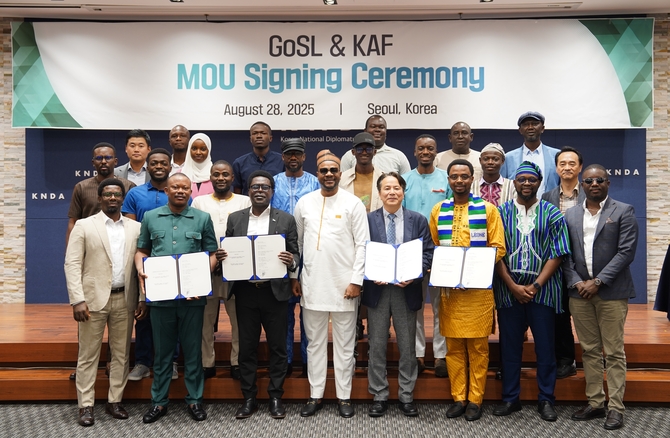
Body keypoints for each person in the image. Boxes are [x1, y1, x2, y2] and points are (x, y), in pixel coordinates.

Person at [135, 173, 218, 424]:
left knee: (193, 352)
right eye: (175, 187)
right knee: (162, 353)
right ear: (167, 191)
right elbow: (142, 250)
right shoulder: (150, 217)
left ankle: (195, 400)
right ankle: (159, 402)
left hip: (193, 299)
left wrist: (201, 276)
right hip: (161, 299)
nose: (180, 191)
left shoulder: (202, 218)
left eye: (184, 188)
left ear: (190, 192)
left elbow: (212, 253)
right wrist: (140, 268)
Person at [294, 150, 369, 418]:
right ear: (317, 174)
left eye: (333, 170)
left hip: (344, 287)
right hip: (312, 284)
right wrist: (294, 277)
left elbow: (362, 246)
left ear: (340, 173)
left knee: (345, 346)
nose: (328, 174)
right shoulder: (304, 203)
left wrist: (356, 281)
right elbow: (298, 245)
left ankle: (344, 397)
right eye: (324, 170)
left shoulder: (353, 204)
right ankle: (315, 395)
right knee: (314, 344)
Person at [429, 159, 506, 421]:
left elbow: (498, 247)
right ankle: (458, 397)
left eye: (464, 176)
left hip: (478, 292)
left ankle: (475, 399)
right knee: (453, 347)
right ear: (448, 180)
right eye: (454, 176)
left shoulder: (487, 210)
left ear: (472, 179)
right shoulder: (439, 210)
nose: (459, 180)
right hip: (450, 292)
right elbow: (435, 246)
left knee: (478, 348)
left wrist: (472, 269)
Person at [563, 164, 638, 430]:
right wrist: (576, 282)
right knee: (589, 350)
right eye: (589, 181)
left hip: (611, 292)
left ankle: (616, 407)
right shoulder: (570, 214)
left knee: (614, 352)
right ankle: (595, 403)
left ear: (608, 183)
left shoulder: (624, 210)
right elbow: (565, 253)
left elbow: (626, 252)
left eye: (599, 180)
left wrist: (598, 282)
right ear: (581, 185)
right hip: (579, 293)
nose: (594, 184)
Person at [493, 161, 570, 422]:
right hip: (509, 292)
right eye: (522, 179)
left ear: (539, 183)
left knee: (546, 349)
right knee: (509, 348)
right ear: (514, 182)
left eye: (532, 179)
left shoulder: (552, 213)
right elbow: (495, 251)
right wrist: (512, 286)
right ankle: (510, 398)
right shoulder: (500, 213)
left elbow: (558, 253)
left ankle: (546, 399)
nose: (526, 183)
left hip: (544, 292)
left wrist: (536, 285)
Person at [220, 170, 300, 420]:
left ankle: (275, 396)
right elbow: (230, 251)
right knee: (247, 348)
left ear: (272, 192)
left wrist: (291, 260)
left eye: (265, 187)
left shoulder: (285, 219)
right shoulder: (235, 219)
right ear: (248, 191)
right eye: (255, 187)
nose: (260, 191)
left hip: (274, 293)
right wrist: (224, 256)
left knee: (278, 347)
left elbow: (296, 253)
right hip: (245, 292)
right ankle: (249, 397)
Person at [64, 179, 143, 426]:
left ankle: (114, 401)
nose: (112, 198)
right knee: (88, 355)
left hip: (125, 298)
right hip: (92, 300)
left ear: (123, 199)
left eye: (117, 194)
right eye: (107, 194)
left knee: (121, 354)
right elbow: (72, 263)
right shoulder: (84, 225)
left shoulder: (136, 227)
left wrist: (142, 297)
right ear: (99, 198)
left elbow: (142, 265)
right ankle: (85, 406)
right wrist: (77, 299)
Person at [363, 172, 433, 418]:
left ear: (403, 192)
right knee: (376, 344)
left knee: (407, 346)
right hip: (378, 290)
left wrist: (414, 274)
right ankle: (379, 394)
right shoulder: (368, 220)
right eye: (387, 188)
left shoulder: (418, 220)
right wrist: (371, 272)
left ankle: (406, 395)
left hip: (407, 290)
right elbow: (360, 251)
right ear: (379, 193)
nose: (392, 192)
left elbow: (428, 252)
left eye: (396, 188)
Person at [121, 148, 184, 382]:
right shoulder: (135, 194)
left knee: (173, 315)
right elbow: (130, 232)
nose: (159, 166)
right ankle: (143, 362)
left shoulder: (179, 193)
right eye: (154, 163)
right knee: (144, 314)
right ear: (148, 167)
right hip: (145, 262)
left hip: (174, 263)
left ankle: (172, 361)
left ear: (170, 167)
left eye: (163, 163)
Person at [192, 161, 250, 382]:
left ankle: (237, 362)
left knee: (239, 319)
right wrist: (209, 259)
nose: (221, 178)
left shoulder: (244, 201)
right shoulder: (199, 201)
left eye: (225, 174)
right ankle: (207, 363)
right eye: (216, 174)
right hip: (207, 268)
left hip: (236, 270)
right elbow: (195, 233)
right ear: (210, 177)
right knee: (204, 321)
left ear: (232, 177)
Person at [401, 134, 452, 377]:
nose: (425, 152)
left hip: (441, 250)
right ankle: (418, 354)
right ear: (414, 151)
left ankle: (441, 355)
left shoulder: (445, 179)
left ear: (435, 152)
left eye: (430, 148)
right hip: (412, 251)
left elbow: (452, 212)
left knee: (442, 306)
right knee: (416, 306)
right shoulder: (405, 179)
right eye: (421, 148)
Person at [271, 138, 320, 377]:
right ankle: (287, 361)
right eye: (289, 154)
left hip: (310, 252)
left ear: (304, 157)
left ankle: (310, 362)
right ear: (283, 157)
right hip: (281, 254)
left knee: (309, 313)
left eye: (297, 154)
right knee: (285, 313)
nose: (293, 158)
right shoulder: (273, 182)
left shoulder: (315, 182)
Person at [541, 146, 585, 379]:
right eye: (562, 164)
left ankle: (594, 359)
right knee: (559, 315)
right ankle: (566, 360)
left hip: (584, 266)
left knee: (586, 317)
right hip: (555, 266)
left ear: (580, 167)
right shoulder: (547, 197)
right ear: (557, 168)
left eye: (572, 163)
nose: (567, 167)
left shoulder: (591, 192)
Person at [66, 142, 135, 246]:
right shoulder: (81, 187)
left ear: (115, 161)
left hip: (121, 243)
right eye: (99, 158)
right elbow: (73, 221)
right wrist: (70, 250)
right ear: (93, 162)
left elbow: (132, 223)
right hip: (90, 243)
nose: (103, 161)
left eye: (108, 158)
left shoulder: (129, 187)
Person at [500, 111, 560, 197]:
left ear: (542, 128)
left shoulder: (556, 155)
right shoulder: (509, 158)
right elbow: (503, 187)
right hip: (516, 204)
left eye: (535, 124)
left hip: (549, 204)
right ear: (520, 130)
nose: (530, 127)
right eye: (526, 124)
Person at [340, 115, 411, 174]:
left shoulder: (399, 156)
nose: (377, 130)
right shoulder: (349, 156)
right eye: (373, 126)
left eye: (381, 127)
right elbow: (342, 183)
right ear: (365, 131)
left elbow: (407, 184)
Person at [232, 121, 284, 195]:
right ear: (250, 139)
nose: (259, 136)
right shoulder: (239, 163)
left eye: (263, 133)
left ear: (270, 138)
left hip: (276, 202)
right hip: (249, 202)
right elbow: (237, 193)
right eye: (255, 133)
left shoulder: (282, 161)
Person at [339, 132, 384, 213]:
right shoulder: (342, 179)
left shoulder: (383, 179)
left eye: (368, 149)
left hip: (376, 220)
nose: (364, 152)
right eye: (359, 149)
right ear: (353, 152)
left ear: (374, 152)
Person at [471, 142, 516, 207]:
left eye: (495, 159)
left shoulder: (512, 186)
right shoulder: (471, 187)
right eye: (486, 159)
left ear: (502, 161)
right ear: (480, 161)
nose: (490, 162)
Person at [182, 133, 214, 198]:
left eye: (203, 149)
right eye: (194, 148)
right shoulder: (181, 174)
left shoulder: (215, 174)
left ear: (209, 150)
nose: (198, 152)